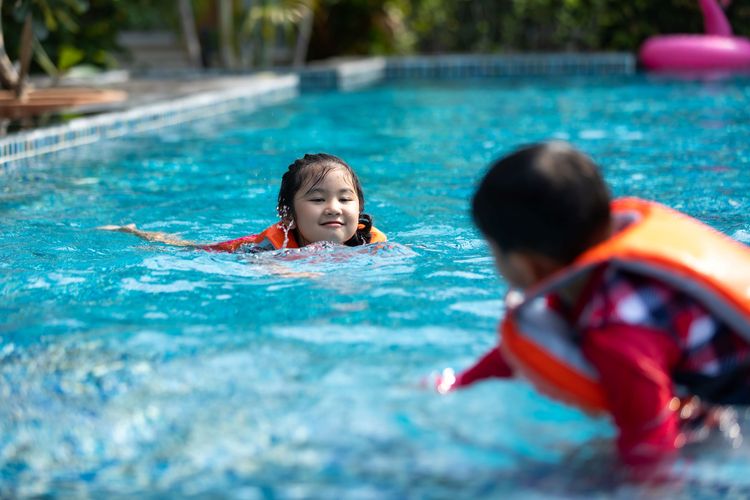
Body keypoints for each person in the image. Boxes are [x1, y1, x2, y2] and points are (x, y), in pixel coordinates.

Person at [437, 141, 750, 470]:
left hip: (738, 416)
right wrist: (459, 385)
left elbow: (652, 447)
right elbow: (530, 342)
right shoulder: (594, 274)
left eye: (493, 250)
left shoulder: (616, 334)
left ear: (526, 264)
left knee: (581, 471)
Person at [99, 153, 386, 252]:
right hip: (233, 251)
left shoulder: (369, 240)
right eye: (317, 198)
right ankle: (134, 230)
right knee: (184, 246)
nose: (334, 207)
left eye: (345, 198)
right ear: (288, 216)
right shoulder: (270, 247)